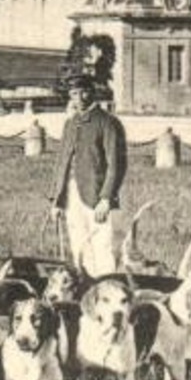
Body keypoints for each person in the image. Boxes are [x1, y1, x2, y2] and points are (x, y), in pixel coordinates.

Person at [49, 72, 127, 276]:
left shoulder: (108, 123)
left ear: (92, 93)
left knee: (103, 247)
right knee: (78, 245)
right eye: (74, 93)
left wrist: (106, 198)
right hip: (71, 195)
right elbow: (62, 163)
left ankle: (106, 289)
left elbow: (116, 164)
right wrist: (57, 200)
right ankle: (84, 290)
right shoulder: (70, 123)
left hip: (96, 195)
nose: (79, 98)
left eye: (84, 92)